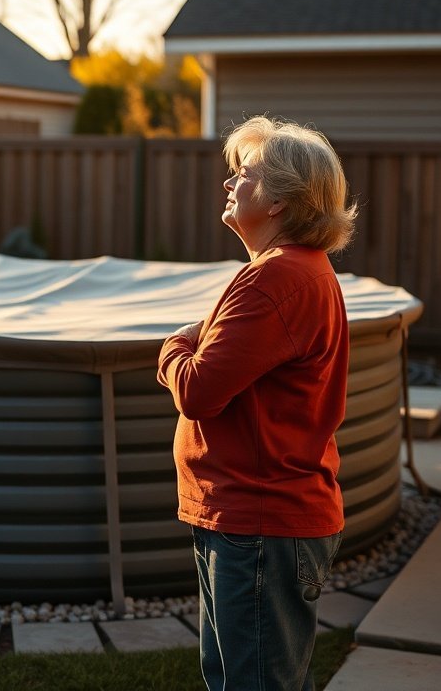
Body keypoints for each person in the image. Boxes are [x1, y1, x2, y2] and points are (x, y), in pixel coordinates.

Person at [156, 116, 358, 691]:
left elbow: (197, 390)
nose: (229, 184)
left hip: (259, 526)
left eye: (243, 174)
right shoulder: (295, 274)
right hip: (251, 520)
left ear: (279, 200)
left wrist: (173, 344)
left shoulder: (276, 281)